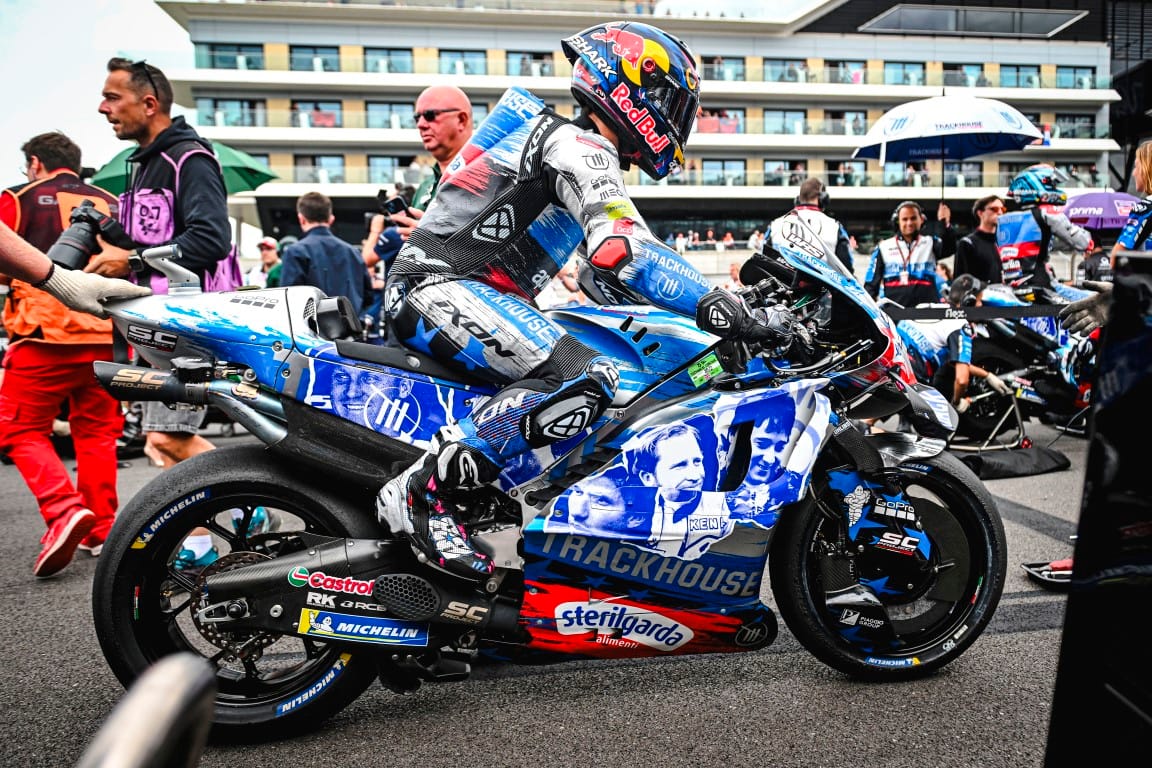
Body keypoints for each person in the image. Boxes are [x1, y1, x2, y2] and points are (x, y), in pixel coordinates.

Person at [375, 21, 802, 583]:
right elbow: (626, 250)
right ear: (632, 87)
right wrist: (736, 311)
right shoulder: (579, 145)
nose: (678, 118)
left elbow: (615, 262)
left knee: (601, 367)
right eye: (671, 100)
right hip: (440, 288)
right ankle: (423, 491)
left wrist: (713, 300)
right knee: (587, 375)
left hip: (454, 289)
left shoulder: (563, 143)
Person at [89, 57, 231, 475]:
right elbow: (156, 241)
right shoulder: (143, 164)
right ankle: (200, 542)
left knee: (168, 438)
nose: (103, 108)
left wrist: (129, 260)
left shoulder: (190, 159)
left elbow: (211, 240)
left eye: (112, 98)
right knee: (160, 444)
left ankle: (257, 507)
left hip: (184, 324)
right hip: (152, 324)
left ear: (149, 104)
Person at [0, 132, 127, 577]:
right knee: (96, 433)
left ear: (36, 163)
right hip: (103, 326)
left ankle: (62, 510)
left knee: (16, 428)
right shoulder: (108, 200)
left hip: (43, 331)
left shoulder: (17, 198)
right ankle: (101, 527)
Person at [895, 274, 1012, 410]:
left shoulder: (926, 306)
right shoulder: (959, 325)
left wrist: (987, 375)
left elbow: (954, 362)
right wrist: (957, 402)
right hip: (912, 382)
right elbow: (962, 380)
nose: (981, 305)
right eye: (979, 301)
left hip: (892, 368)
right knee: (943, 429)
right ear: (968, 302)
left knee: (874, 416)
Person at [0, 221, 148, 309]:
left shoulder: (18, 195)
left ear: (36, 166)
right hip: (103, 324)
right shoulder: (110, 198)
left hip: (38, 330)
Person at [997, 164, 1092, 294]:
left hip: (1013, 290)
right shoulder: (1047, 213)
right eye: (1051, 185)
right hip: (1043, 288)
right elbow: (1083, 242)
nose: (1055, 188)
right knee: (1099, 299)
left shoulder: (1002, 219)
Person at [280, 191, 372, 313]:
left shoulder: (296, 252)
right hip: (350, 328)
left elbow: (289, 300)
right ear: (331, 219)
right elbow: (368, 297)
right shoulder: (353, 252)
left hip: (311, 329)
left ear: (301, 219)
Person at [864, 200, 955, 307]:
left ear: (921, 220)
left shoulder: (931, 242)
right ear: (897, 221)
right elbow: (871, 285)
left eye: (913, 218)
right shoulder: (883, 247)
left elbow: (950, 248)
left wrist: (945, 223)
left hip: (927, 315)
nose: (909, 223)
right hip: (895, 315)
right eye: (905, 219)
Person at [770, 177, 853, 272]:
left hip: (782, 283)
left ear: (797, 200)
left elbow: (764, 259)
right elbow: (846, 269)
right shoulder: (835, 226)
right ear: (823, 199)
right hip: (820, 285)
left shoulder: (775, 224)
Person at [1111, 141, 1152, 264]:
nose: (1134, 173)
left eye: (1136, 166)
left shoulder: (1145, 208)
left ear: (1147, 169)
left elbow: (1116, 258)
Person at [953, 194, 1005, 284]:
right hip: (979, 296)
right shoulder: (967, 243)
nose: (1000, 213)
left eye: (1002, 209)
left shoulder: (1004, 242)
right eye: (995, 209)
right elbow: (961, 281)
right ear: (980, 213)